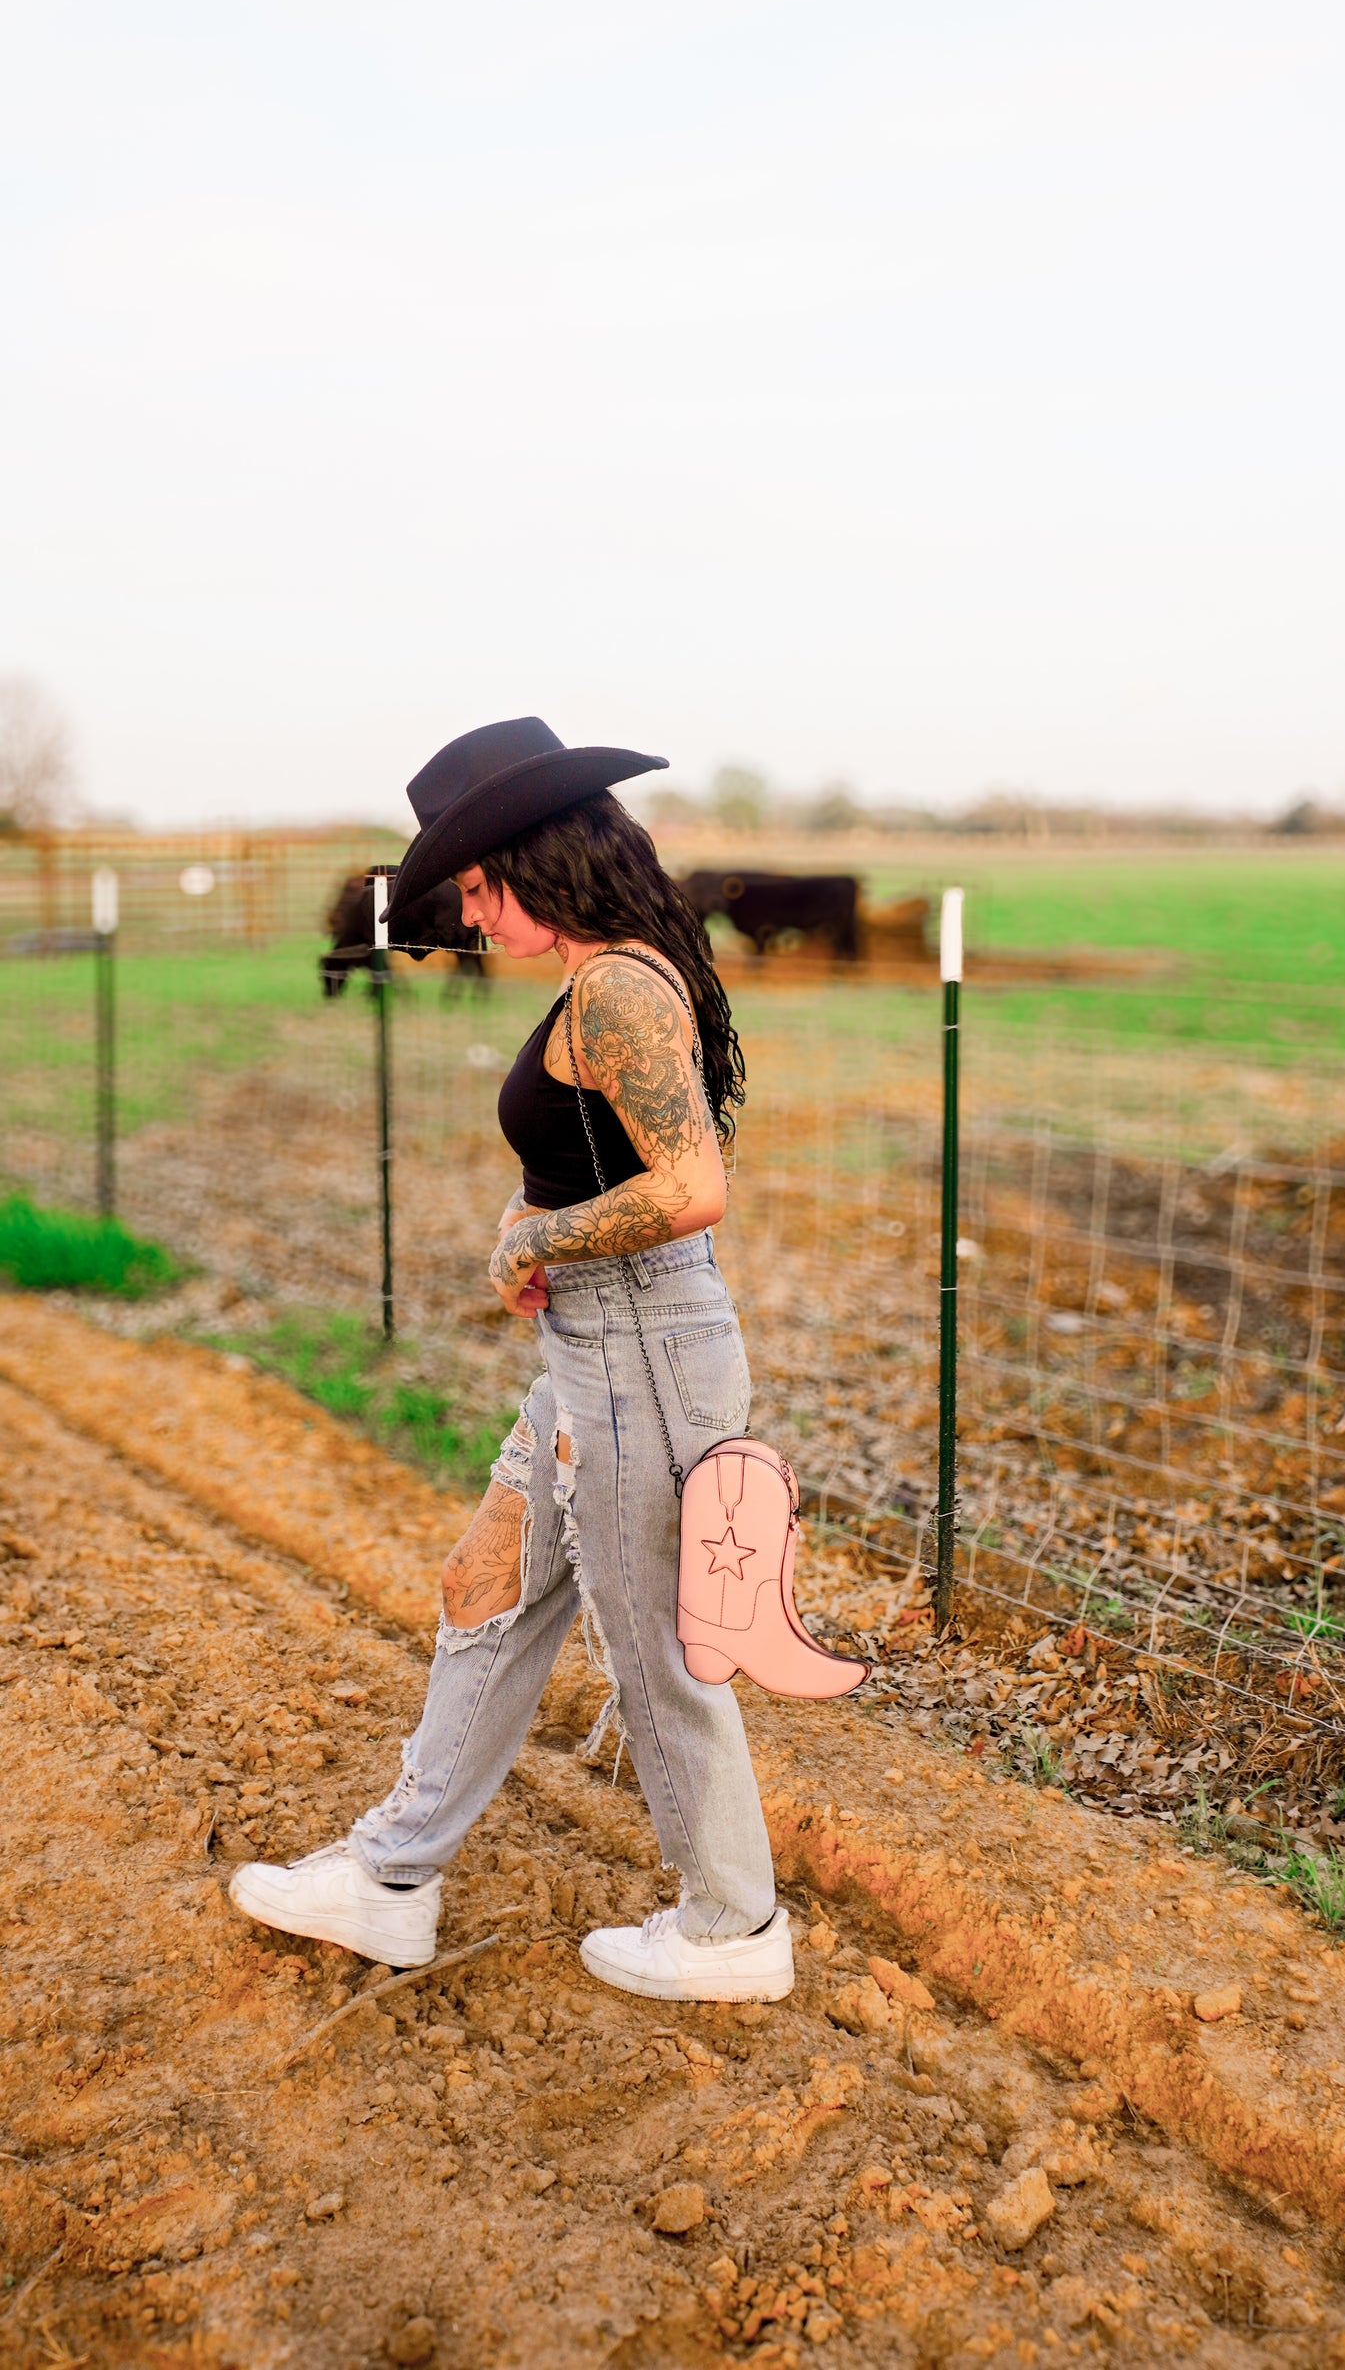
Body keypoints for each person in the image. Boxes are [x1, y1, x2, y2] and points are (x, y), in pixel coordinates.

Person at [230, 718, 791, 2002]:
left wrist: (539, 1236)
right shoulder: (602, 978)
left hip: (642, 1355)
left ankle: (730, 1928)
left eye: (479, 884)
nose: (466, 912)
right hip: (595, 1349)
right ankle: (390, 1879)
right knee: (485, 1576)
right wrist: (535, 1230)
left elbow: (693, 1187)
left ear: (542, 860)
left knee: (651, 1646)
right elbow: (595, 1159)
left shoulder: (617, 991)